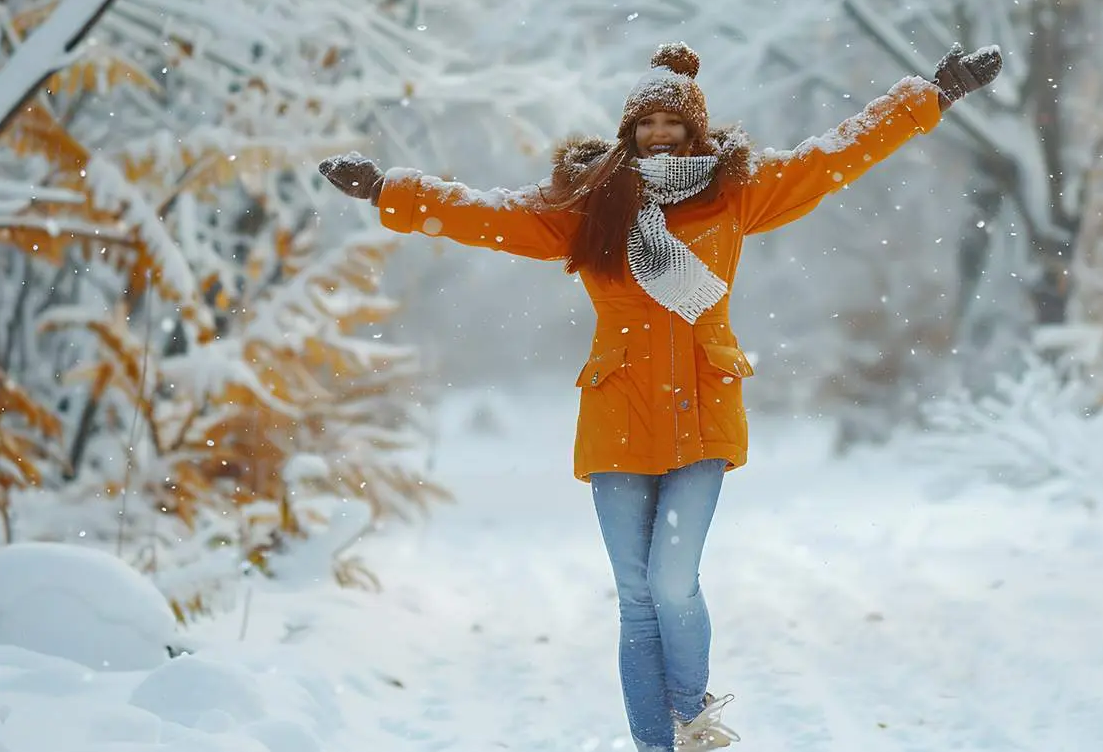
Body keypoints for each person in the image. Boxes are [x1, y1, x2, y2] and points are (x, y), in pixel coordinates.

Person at [318, 41, 1002, 752]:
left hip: (703, 409)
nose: (658, 134)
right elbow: (489, 214)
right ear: (628, 130)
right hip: (617, 415)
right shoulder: (590, 206)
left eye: (671, 123)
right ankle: (658, 745)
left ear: (696, 130)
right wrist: (387, 192)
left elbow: (831, 159)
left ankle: (691, 718)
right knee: (638, 602)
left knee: (673, 583)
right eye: (645, 123)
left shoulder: (736, 194)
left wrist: (933, 95)